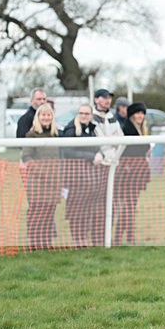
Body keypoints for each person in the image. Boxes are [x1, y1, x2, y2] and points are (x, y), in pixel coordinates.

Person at [60, 104, 102, 248]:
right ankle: (77, 239)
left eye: (87, 113)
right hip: (76, 177)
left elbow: (98, 147)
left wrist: (99, 154)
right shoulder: (71, 130)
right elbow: (68, 151)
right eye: (81, 113)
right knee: (76, 210)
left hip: (90, 177)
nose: (84, 115)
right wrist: (90, 156)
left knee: (87, 210)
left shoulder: (93, 130)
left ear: (91, 115)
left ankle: (83, 238)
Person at [21, 103, 61, 250]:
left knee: (49, 214)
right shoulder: (31, 135)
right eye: (43, 115)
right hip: (38, 183)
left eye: (48, 114)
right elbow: (26, 157)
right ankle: (34, 243)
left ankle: (46, 242)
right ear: (38, 117)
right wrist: (43, 173)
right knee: (37, 213)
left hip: (54, 182)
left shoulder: (56, 135)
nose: (46, 117)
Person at [114, 103, 151, 245]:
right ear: (132, 115)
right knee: (128, 208)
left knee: (130, 207)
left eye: (142, 113)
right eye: (137, 113)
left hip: (138, 172)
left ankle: (128, 237)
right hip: (128, 173)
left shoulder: (142, 130)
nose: (140, 116)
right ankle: (121, 238)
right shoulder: (127, 129)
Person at [92, 88, 123, 244]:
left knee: (112, 204)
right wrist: (110, 139)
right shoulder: (92, 117)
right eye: (104, 97)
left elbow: (121, 138)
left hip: (114, 164)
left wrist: (110, 140)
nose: (107, 101)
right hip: (99, 166)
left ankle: (107, 237)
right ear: (96, 99)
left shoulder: (113, 118)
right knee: (98, 205)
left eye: (109, 98)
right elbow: (100, 140)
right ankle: (97, 238)